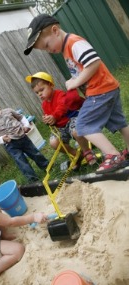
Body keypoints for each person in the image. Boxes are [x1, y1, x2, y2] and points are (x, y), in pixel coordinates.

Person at [24, 13, 129, 174]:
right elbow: (82, 67)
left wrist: (76, 81)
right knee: (120, 123)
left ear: (55, 30)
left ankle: (113, 155)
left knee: (83, 125)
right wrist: (74, 80)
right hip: (107, 89)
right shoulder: (67, 48)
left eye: (46, 45)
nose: (48, 51)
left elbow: (93, 62)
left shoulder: (73, 43)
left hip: (100, 91)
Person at [25, 71, 97, 168]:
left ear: (50, 85)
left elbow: (62, 107)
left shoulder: (60, 94)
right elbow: (50, 117)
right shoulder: (44, 104)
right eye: (37, 92)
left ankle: (87, 152)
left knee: (77, 131)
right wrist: (48, 120)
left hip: (71, 119)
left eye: (42, 90)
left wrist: (54, 116)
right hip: (60, 127)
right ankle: (76, 155)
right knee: (53, 142)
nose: (40, 94)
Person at [0, 92, 49, 183]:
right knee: (22, 162)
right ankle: (33, 180)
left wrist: (26, 125)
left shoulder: (8, 111)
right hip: (11, 145)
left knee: (35, 153)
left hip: (23, 138)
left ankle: (47, 167)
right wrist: (1, 139)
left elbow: (21, 118)